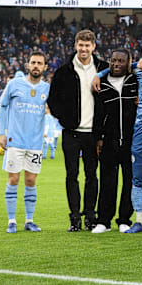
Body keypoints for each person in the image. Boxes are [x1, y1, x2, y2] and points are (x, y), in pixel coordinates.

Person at [48, 29, 109, 232]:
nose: (83, 49)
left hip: (93, 133)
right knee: (71, 175)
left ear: (93, 46)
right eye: (80, 45)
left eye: (87, 45)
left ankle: (90, 216)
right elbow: (53, 100)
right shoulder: (64, 71)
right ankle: (74, 218)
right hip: (71, 132)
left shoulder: (103, 69)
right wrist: (65, 120)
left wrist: (102, 131)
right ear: (76, 45)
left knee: (92, 175)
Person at [0, 51, 50, 233]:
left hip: (35, 144)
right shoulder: (14, 84)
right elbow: (3, 106)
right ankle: (11, 220)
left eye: (39, 63)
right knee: (13, 178)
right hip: (15, 141)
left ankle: (29, 220)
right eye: (33, 62)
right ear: (27, 65)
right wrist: (1, 133)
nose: (36, 66)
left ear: (45, 67)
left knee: (30, 180)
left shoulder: (46, 88)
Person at [91, 48, 137, 234]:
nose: (116, 64)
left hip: (132, 141)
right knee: (107, 181)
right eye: (113, 60)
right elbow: (98, 114)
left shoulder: (135, 81)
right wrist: (99, 139)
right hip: (108, 141)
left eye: (121, 61)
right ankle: (104, 221)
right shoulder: (101, 83)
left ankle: (124, 219)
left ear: (128, 63)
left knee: (130, 182)